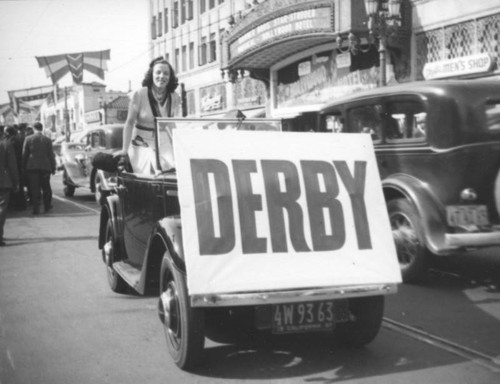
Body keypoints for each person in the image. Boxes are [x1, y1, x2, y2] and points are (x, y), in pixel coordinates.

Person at [120, 56, 182, 173]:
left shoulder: (174, 97)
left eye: (166, 73)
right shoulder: (140, 94)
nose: (162, 76)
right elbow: (129, 123)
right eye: (158, 72)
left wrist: (179, 145)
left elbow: (171, 124)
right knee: (154, 164)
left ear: (170, 77)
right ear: (151, 74)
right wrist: (124, 150)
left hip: (162, 139)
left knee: (175, 166)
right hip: (141, 140)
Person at [22, 122, 56, 215]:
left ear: (34, 128)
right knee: (46, 188)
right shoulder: (47, 140)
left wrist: (23, 167)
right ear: (42, 128)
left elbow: (24, 155)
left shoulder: (28, 139)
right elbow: (51, 156)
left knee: (34, 188)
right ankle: (47, 206)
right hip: (45, 167)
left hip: (32, 167)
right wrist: (53, 167)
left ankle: (36, 209)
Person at [0, 132, 19, 246]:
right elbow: (12, 165)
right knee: (1, 208)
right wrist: (16, 182)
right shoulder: (6, 145)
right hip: (3, 181)